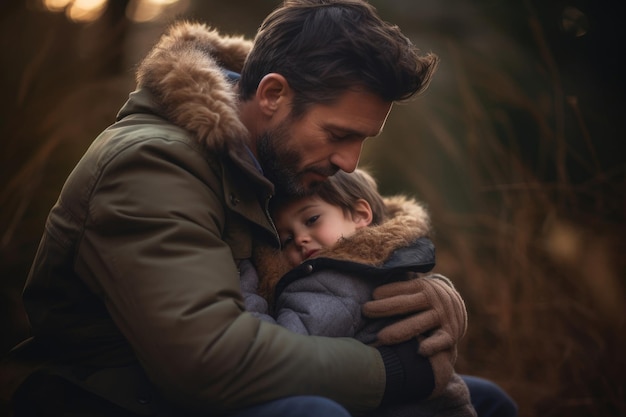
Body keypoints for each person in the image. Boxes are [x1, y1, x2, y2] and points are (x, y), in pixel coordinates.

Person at [0, 1, 516, 416]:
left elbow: (356, 232)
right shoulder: (151, 166)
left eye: (363, 140)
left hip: (231, 380)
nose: (349, 161)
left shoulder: (270, 160)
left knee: (486, 401)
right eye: (339, 135)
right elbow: (209, 363)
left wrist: (430, 291)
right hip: (118, 397)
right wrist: (395, 372)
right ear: (272, 94)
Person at [242, 168, 476, 417]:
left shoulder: (328, 281)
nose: (300, 239)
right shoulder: (388, 257)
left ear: (360, 214)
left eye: (311, 220)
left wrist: (245, 289)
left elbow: (282, 343)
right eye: (286, 239)